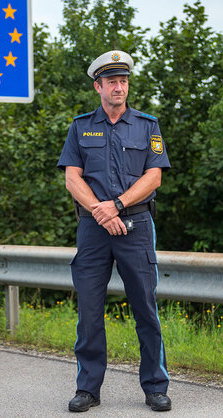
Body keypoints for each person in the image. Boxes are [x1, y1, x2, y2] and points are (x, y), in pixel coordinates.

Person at [57, 50, 172, 412]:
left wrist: (117, 205)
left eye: (123, 81)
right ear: (98, 86)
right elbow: (71, 177)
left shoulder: (147, 125)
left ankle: (155, 386)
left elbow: (154, 176)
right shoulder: (80, 126)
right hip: (93, 229)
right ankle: (88, 389)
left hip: (136, 225)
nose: (118, 87)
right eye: (111, 82)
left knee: (145, 310)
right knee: (89, 311)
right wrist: (100, 211)